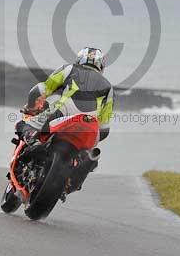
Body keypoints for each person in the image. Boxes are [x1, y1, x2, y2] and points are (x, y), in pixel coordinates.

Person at [17, 47, 114, 183]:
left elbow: (41, 89)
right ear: (101, 66)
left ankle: (34, 143)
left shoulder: (69, 69)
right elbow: (104, 125)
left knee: (24, 125)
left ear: (79, 60)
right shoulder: (109, 87)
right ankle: (78, 173)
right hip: (89, 127)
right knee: (88, 156)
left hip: (62, 114)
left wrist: (31, 107)